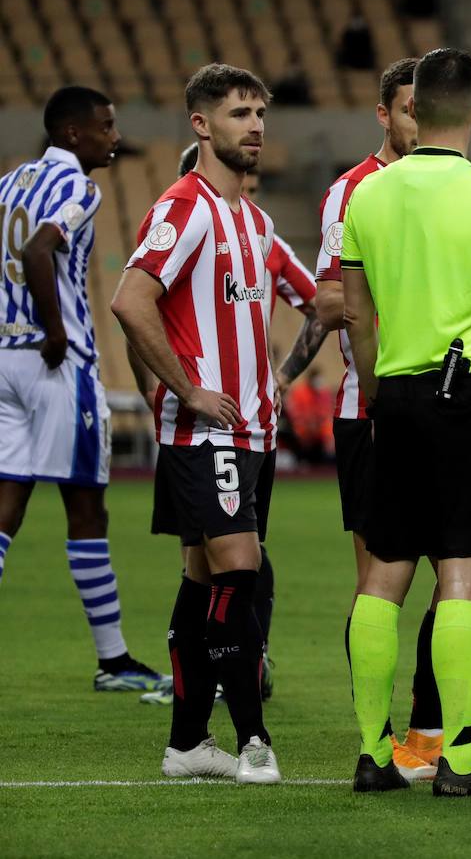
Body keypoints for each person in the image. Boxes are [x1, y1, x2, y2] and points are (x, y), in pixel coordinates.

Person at [340, 47, 471, 796]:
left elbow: (357, 315)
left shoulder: (367, 196)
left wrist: (373, 397)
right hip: (468, 398)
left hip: (392, 396)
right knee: (465, 572)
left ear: (414, 112)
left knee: (383, 573)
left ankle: (373, 753)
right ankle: (459, 762)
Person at [112, 63, 282, 783]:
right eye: (241, 113)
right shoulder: (185, 208)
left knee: (200, 579)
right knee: (238, 575)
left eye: (260, 113)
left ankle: (186, 746)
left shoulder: (253, 218)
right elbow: (130, 300)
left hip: (253, 434)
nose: (256, 126)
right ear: (202, 125)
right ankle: (254, 741)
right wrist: (187, 389)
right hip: (207, 433)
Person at [133, 142, 321, 708]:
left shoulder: (264, 234)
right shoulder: (185, 218)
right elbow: (136, 309)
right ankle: (217, 680)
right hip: (197, 420)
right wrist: (161, 386)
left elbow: (320, 306)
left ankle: (243, 660)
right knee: (204, 556)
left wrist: (283, 377)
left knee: (238, 553)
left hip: (245, 422)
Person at [0, 86, 169, 693]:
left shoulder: (10, 181)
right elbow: (38, 248)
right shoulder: (79, 188)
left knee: (7, 505)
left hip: (4, 359)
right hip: (56, 364)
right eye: (105, 126)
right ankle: (114, 660)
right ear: (73, 134)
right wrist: (53, 331)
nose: (114, 137)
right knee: (87, 509)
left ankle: (115, 659)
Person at [313, 57, 451, 781]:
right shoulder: (355, 190)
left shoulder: (451, 184)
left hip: (444, 409)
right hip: (370, 410)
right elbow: (332, 299)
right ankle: (382, 739)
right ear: (383, 116)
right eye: (406, 110)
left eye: (426, 110)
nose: (416, 122)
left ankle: (424, 738)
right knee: (379, 576)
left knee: (457, 573)